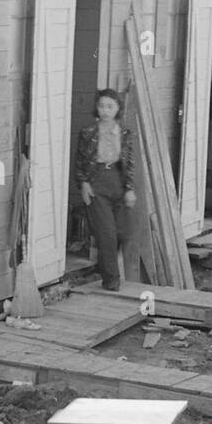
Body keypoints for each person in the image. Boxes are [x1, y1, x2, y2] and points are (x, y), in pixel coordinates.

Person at [74, 88, 137, 291]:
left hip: (117, 181)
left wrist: (128, 188)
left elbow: (129, 163)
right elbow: (80, 162)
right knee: (106, 233)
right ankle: (111, 280)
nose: (105, 110)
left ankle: (106, 267)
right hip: (97, 182)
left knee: (122, 233)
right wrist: (84, 184)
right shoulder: (88, 133)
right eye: (101, 106)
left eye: (110, 106)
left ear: (118, 108)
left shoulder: (125, 133)